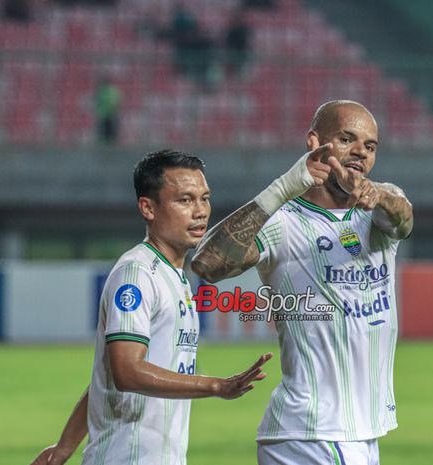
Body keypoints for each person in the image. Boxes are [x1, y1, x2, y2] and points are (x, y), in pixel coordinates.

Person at [192, 100, 413, 465]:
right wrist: (282, 188)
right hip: (314, 430)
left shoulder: (380, 209)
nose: (360, 151)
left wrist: (380, 196)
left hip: (353, 431)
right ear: (314, 142)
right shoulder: (284, 222)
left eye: (370, 146)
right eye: (346, 139)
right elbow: (207, 264)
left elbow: (404, 219)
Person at [30, 149, 272, 465]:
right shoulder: (138, 273)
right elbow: (126, 372)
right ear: (148, 207)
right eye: (184, 200)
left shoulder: (177, 278)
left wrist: (64, 447)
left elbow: (105, 377)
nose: (200, 211)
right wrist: (215, 385)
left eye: (204, 198)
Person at [94, 76, 121, 144]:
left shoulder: (111, 91)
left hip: (110, 114)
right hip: (104, 114)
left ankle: (110, 143)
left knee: (110, 132)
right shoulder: (102, 90)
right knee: (104, 132)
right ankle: (105, 143)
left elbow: (115, 103)